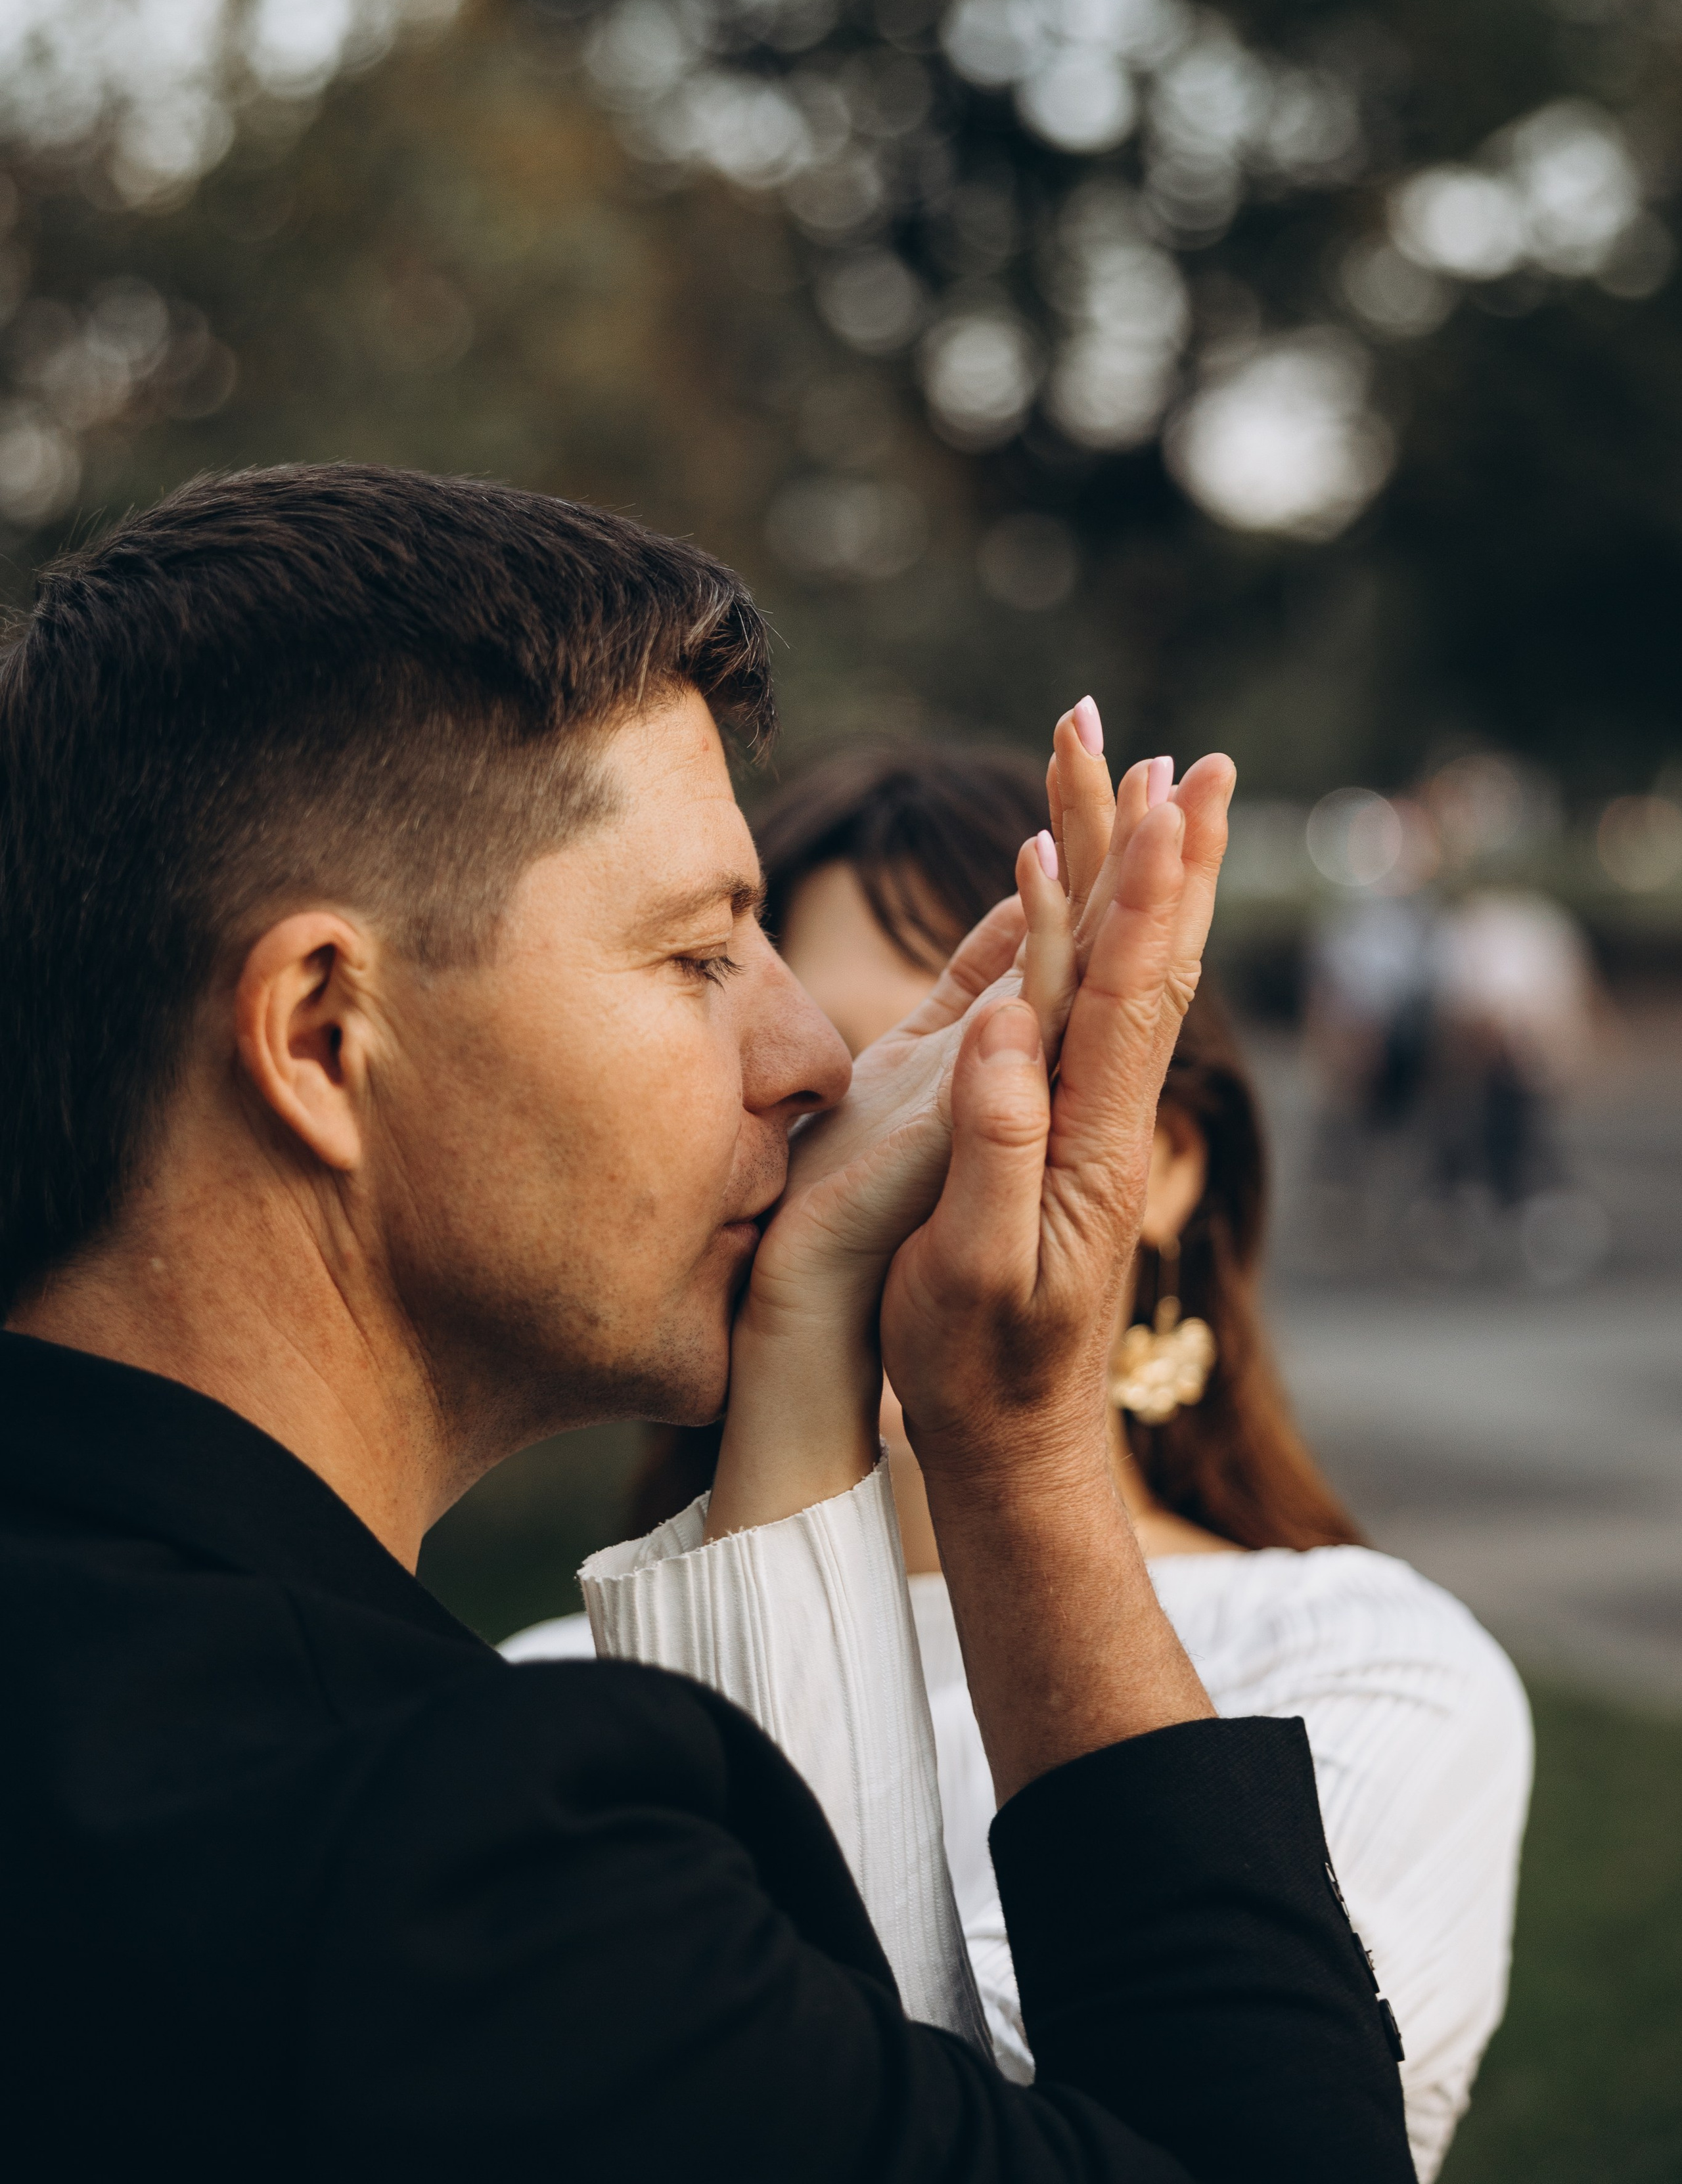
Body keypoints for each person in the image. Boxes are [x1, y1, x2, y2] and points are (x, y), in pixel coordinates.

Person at [0, 465, 1412, 2183]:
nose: (816, 1059)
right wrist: (1018, 1429)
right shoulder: (457, 1877)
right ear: (319, 1037)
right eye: (697, 955)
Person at [534, 738, 1530, 2181]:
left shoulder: (1356, 1676)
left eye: (938, 1080)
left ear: (1163, 1166)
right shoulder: (538, 1687)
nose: (842, 1168)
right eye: (803, 1109)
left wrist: (1000, 1430)